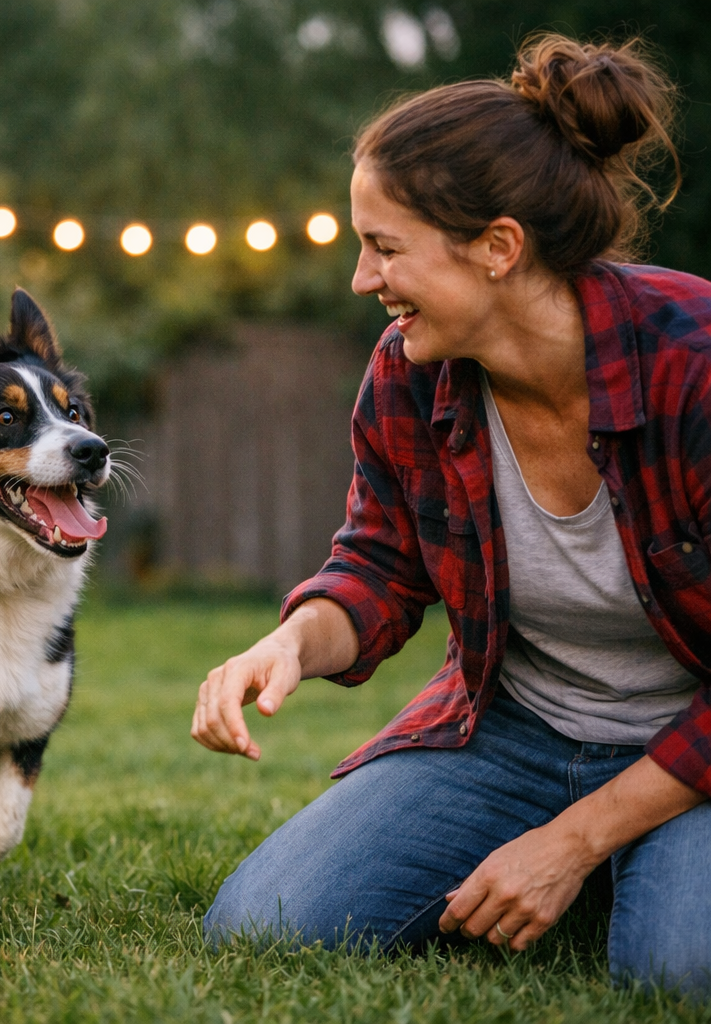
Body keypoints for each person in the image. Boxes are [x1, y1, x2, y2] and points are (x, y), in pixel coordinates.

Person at [192, 33, 711, 996]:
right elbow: (381, 563)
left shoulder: (695, 365)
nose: (361, 279)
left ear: (499, 248)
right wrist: (295, 645)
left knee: (680, 972)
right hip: (518, 727)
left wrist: (570, 842)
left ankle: (621, 856)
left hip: (695, 745)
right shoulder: (410, 372)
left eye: (385, 248)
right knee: (266, 928)